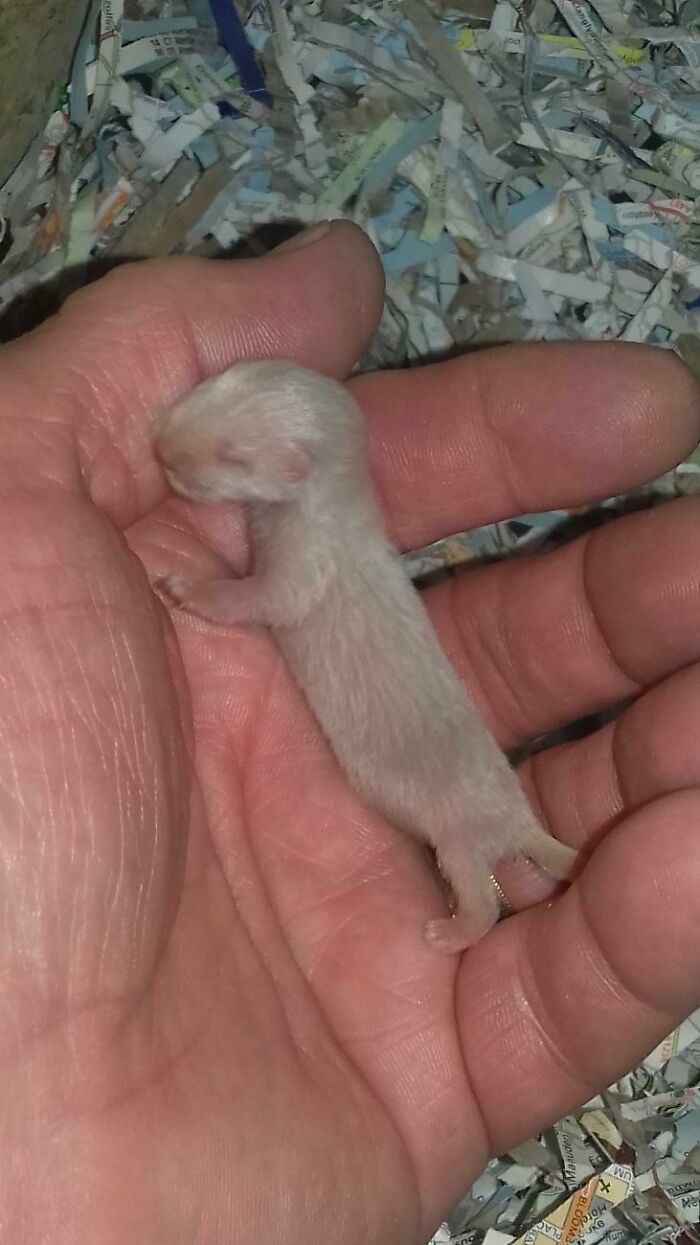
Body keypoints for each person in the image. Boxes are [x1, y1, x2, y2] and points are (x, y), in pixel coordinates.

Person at [1, 219, 698, 1243]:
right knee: (471, 814)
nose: (188, 460)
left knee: (461, 821)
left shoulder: (318, 547)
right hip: (399, 735)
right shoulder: (314, 506)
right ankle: (487, 888)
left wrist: (205, 589)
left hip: (413, 747)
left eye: (227, 454)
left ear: (291, 466)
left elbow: (274, 599)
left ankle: (472, 909)